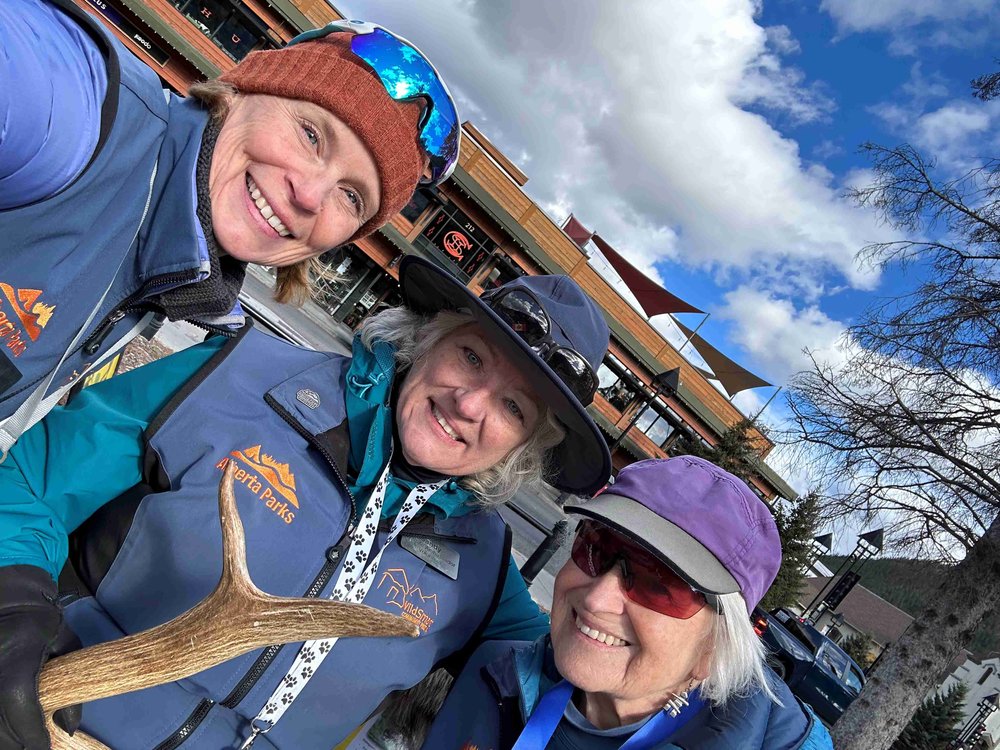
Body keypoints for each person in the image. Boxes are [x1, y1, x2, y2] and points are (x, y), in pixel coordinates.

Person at [0, 255, 613, 749]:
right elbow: (33, 484)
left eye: (513, 407)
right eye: (472, 357)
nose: (470, 404)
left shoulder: (484, 567)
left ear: (527, 445)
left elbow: (583, 685)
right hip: (55, 725)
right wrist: (14, 613)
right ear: (431, 337)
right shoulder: (236, 375)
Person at [0, 0, 460, 454]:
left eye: (351, 196)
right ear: (241, 91)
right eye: (311, 134)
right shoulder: (81, 116)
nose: (309, 195)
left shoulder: (180, 272)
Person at [422, 456, 835, 749]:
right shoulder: (492, 676)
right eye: (596, 548)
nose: (599, 597)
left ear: (714, 648)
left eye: (658, 584)